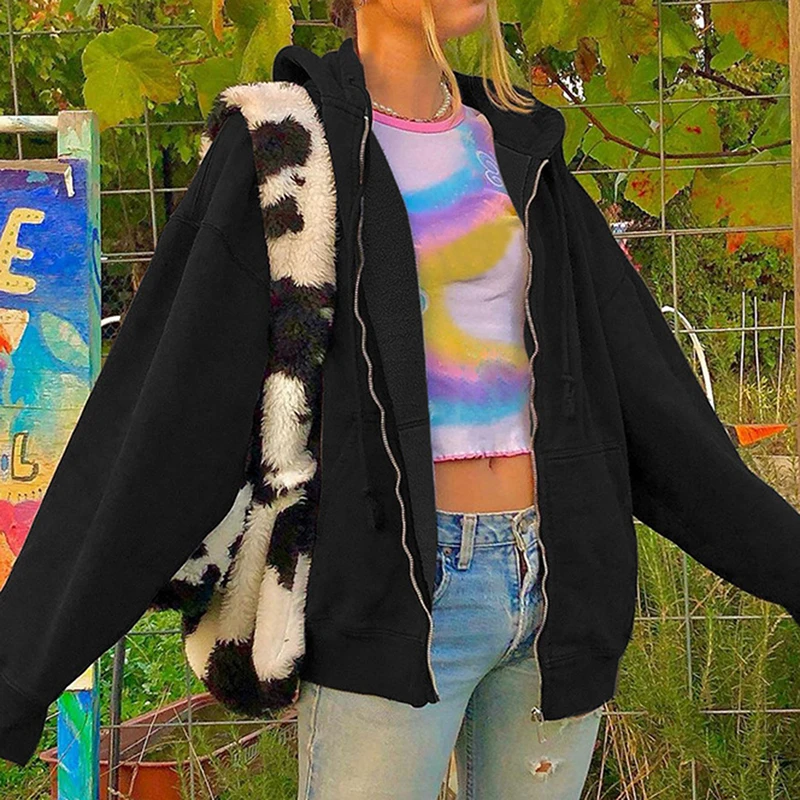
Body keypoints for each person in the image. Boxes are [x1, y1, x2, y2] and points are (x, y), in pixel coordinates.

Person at [3, 1, 800, 798]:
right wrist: (21, 670)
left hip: (555, 589)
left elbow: (649, 395)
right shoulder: (284, 148)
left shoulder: (518, 149)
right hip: (390, 597)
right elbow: (170, 408)